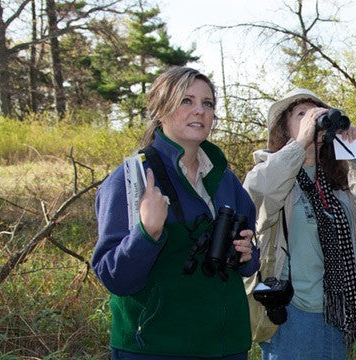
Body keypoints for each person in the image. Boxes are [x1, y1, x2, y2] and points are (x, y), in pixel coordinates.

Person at [92, 66, 259, 359]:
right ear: (160, 108)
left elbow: (249, 258)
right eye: (186, 101)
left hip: (226, 345)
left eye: (207, 104)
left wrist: (247, 255)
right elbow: (115, 278)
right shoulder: (132, 179)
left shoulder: (225, 179)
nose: (199, 111)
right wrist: (147, 233)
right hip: (156, 346)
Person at [243, 89, 356, 359]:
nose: (314, 119)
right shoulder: (272, 172)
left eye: (319, 114)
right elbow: (258, 195)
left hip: (336, 312)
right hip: (291, 313)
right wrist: (299, 145)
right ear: (285, 130)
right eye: (303, 114)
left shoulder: (333, 187)